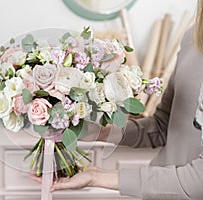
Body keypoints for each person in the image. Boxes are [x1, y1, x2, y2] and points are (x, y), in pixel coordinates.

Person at [49, 1, 203, 199]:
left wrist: (98, 177)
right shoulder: (194, 37)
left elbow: (198, 182)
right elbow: (163, 126)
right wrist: (100, 132)